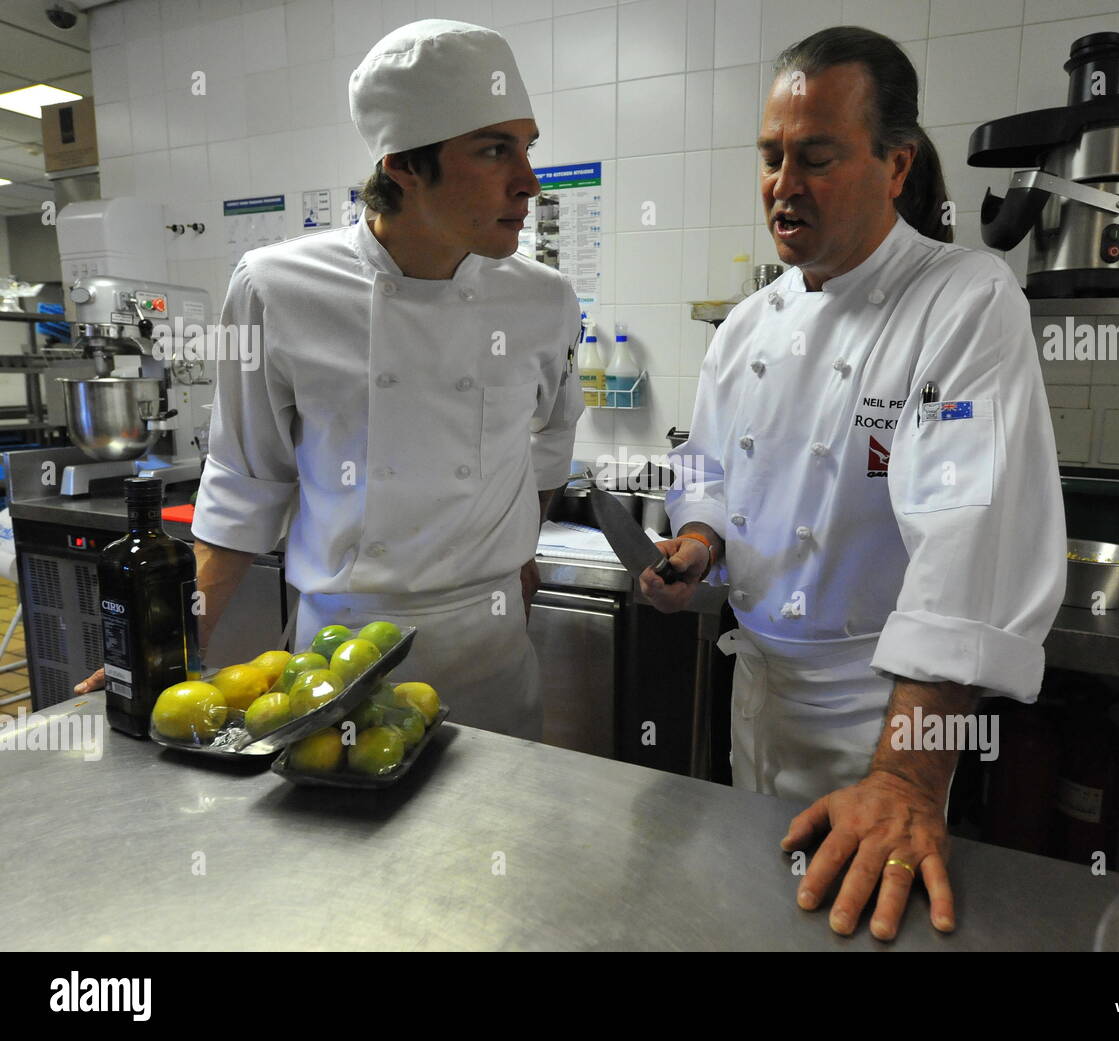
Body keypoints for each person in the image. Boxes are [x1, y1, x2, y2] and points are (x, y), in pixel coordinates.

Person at [641, 27, 1066, 939]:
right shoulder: (748, 322)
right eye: (771, 157)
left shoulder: (965, 298)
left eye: (817, 157)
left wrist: (911, 778)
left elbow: (970, 535)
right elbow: (704, 464)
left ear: (896, 163)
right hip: (758, 699)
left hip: (884, 716)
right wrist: (700, 543)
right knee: (758, 918)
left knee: (865, 927)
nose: (783, 185)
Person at [77, 20, 583, 740]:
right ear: (404, 164)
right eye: (495, 149)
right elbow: (243, 484)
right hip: (337, 661)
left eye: (527, 145)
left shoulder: (543, 299)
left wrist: (516, 560)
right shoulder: (276, 287)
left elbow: (551, 437)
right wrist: (176, 650)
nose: (529, 180)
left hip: (490, 657)